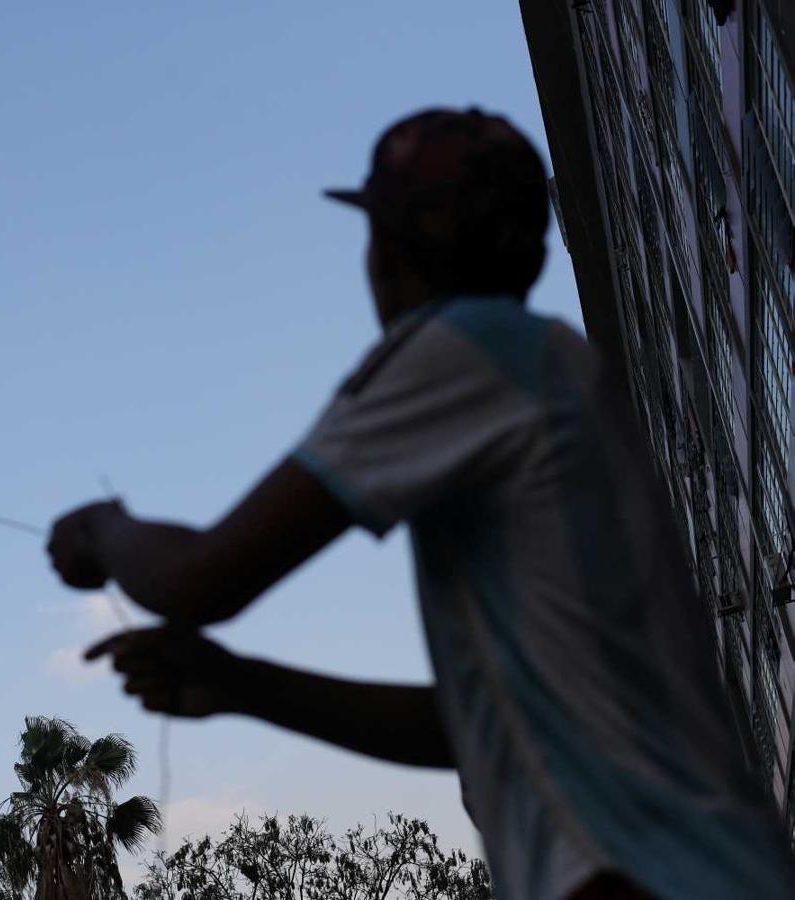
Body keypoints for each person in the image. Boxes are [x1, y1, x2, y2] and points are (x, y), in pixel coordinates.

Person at [46, 108, 795, 900]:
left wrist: (104, 528)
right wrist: (244, 686)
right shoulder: (551, 370)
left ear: (392, 251)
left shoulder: (464, 349)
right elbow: (481, 729)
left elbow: (196, 581)